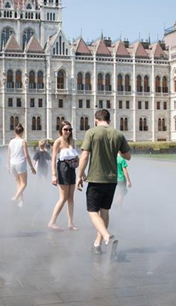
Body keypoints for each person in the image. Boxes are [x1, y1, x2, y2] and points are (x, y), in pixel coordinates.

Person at [77, 109, 131, 259]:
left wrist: (79, 176)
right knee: (105, 212)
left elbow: (85, 155)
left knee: (92, 211)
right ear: (109, 120)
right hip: (112, 180)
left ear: (96, 120)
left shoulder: (92, 133)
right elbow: (128, 156)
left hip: (96, 178)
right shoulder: (118, 134)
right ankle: (97, 244)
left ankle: (107, 236)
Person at [47, 121, 79, 231]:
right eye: (65, 129)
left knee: (71, 197)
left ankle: (70, 223)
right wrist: (53, 175)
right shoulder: (58, 142)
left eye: (69, 129)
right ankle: (52, 221)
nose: (68, 132)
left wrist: (82, 171)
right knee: (63, 198)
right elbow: (53, 159)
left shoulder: (71, 141)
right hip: (62, 169)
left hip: (72, 169)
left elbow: (75, 156)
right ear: (61, 130)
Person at [8, 124, 36, 208]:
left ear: (15, 132)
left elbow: (8, 154)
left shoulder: (11, 141)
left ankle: (21, 202)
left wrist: (8, 165)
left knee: (19, 183)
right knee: (24, 184)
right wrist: (32, 167)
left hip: (12, 163)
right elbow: (26, 155)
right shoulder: (23, 141)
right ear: (22, 132)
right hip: (20, 163)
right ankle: (16, 197)